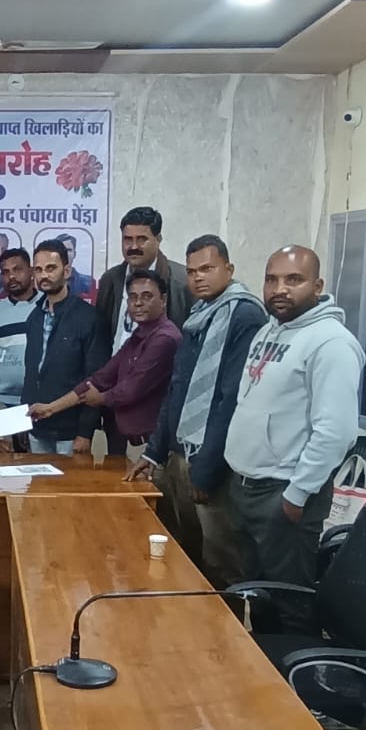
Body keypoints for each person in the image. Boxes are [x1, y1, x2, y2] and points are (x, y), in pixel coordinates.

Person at [224, 246, 364, 628]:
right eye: (271, 279)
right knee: (260, 596)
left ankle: (299, 663)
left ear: (317, 286)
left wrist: (297, 493)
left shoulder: (331, 343)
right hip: (246, 486)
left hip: (283, 493)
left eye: (293, 279)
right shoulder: (269, 330)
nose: (279, 289)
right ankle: (267, 660)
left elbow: (336, 431)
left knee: (291, 604)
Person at [129, 237, 267, 588]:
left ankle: (229, 624)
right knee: (183, 555)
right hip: (180, 455)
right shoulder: (199, 313)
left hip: (211, 462)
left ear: (228, 269)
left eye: (207, 269)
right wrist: (154, 452)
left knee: (221, 563)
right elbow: (178, 388)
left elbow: (230, 399)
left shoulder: (244, 315)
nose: (198, 278)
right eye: (192, 271)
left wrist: (206, 471)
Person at [30, 270, 180, 460]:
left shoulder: (165, 338)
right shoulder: (139, 335)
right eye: (133, 297)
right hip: (132, 443)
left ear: (163, 300)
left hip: (153, 448)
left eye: (147, 296)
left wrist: (100, 399)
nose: (138, 303)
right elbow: (102, 377)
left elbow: (130, 390)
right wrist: (51, 408)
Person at [23, 239, 109, 456]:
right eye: (38, 270)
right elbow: (31, 372)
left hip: (71, 432)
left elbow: (96, 380)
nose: (44, 275)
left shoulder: (89, 318)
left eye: (51, 268)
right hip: (36, 427)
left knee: (70, 480)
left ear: (67, 271)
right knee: (37, 479)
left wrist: (85, 432)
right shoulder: (34, 317)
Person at [97, 207, 192, 353]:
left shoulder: (182, 282)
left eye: (141, 239)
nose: (133, 246)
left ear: (158, 239)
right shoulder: (110, 279)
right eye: (128, 239)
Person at [0, 247, 41, 408]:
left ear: (31, 271)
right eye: (5, 272)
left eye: (17, 269)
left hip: (44, 400)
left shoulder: (48, 305)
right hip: (3, 402)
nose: (11, 276)